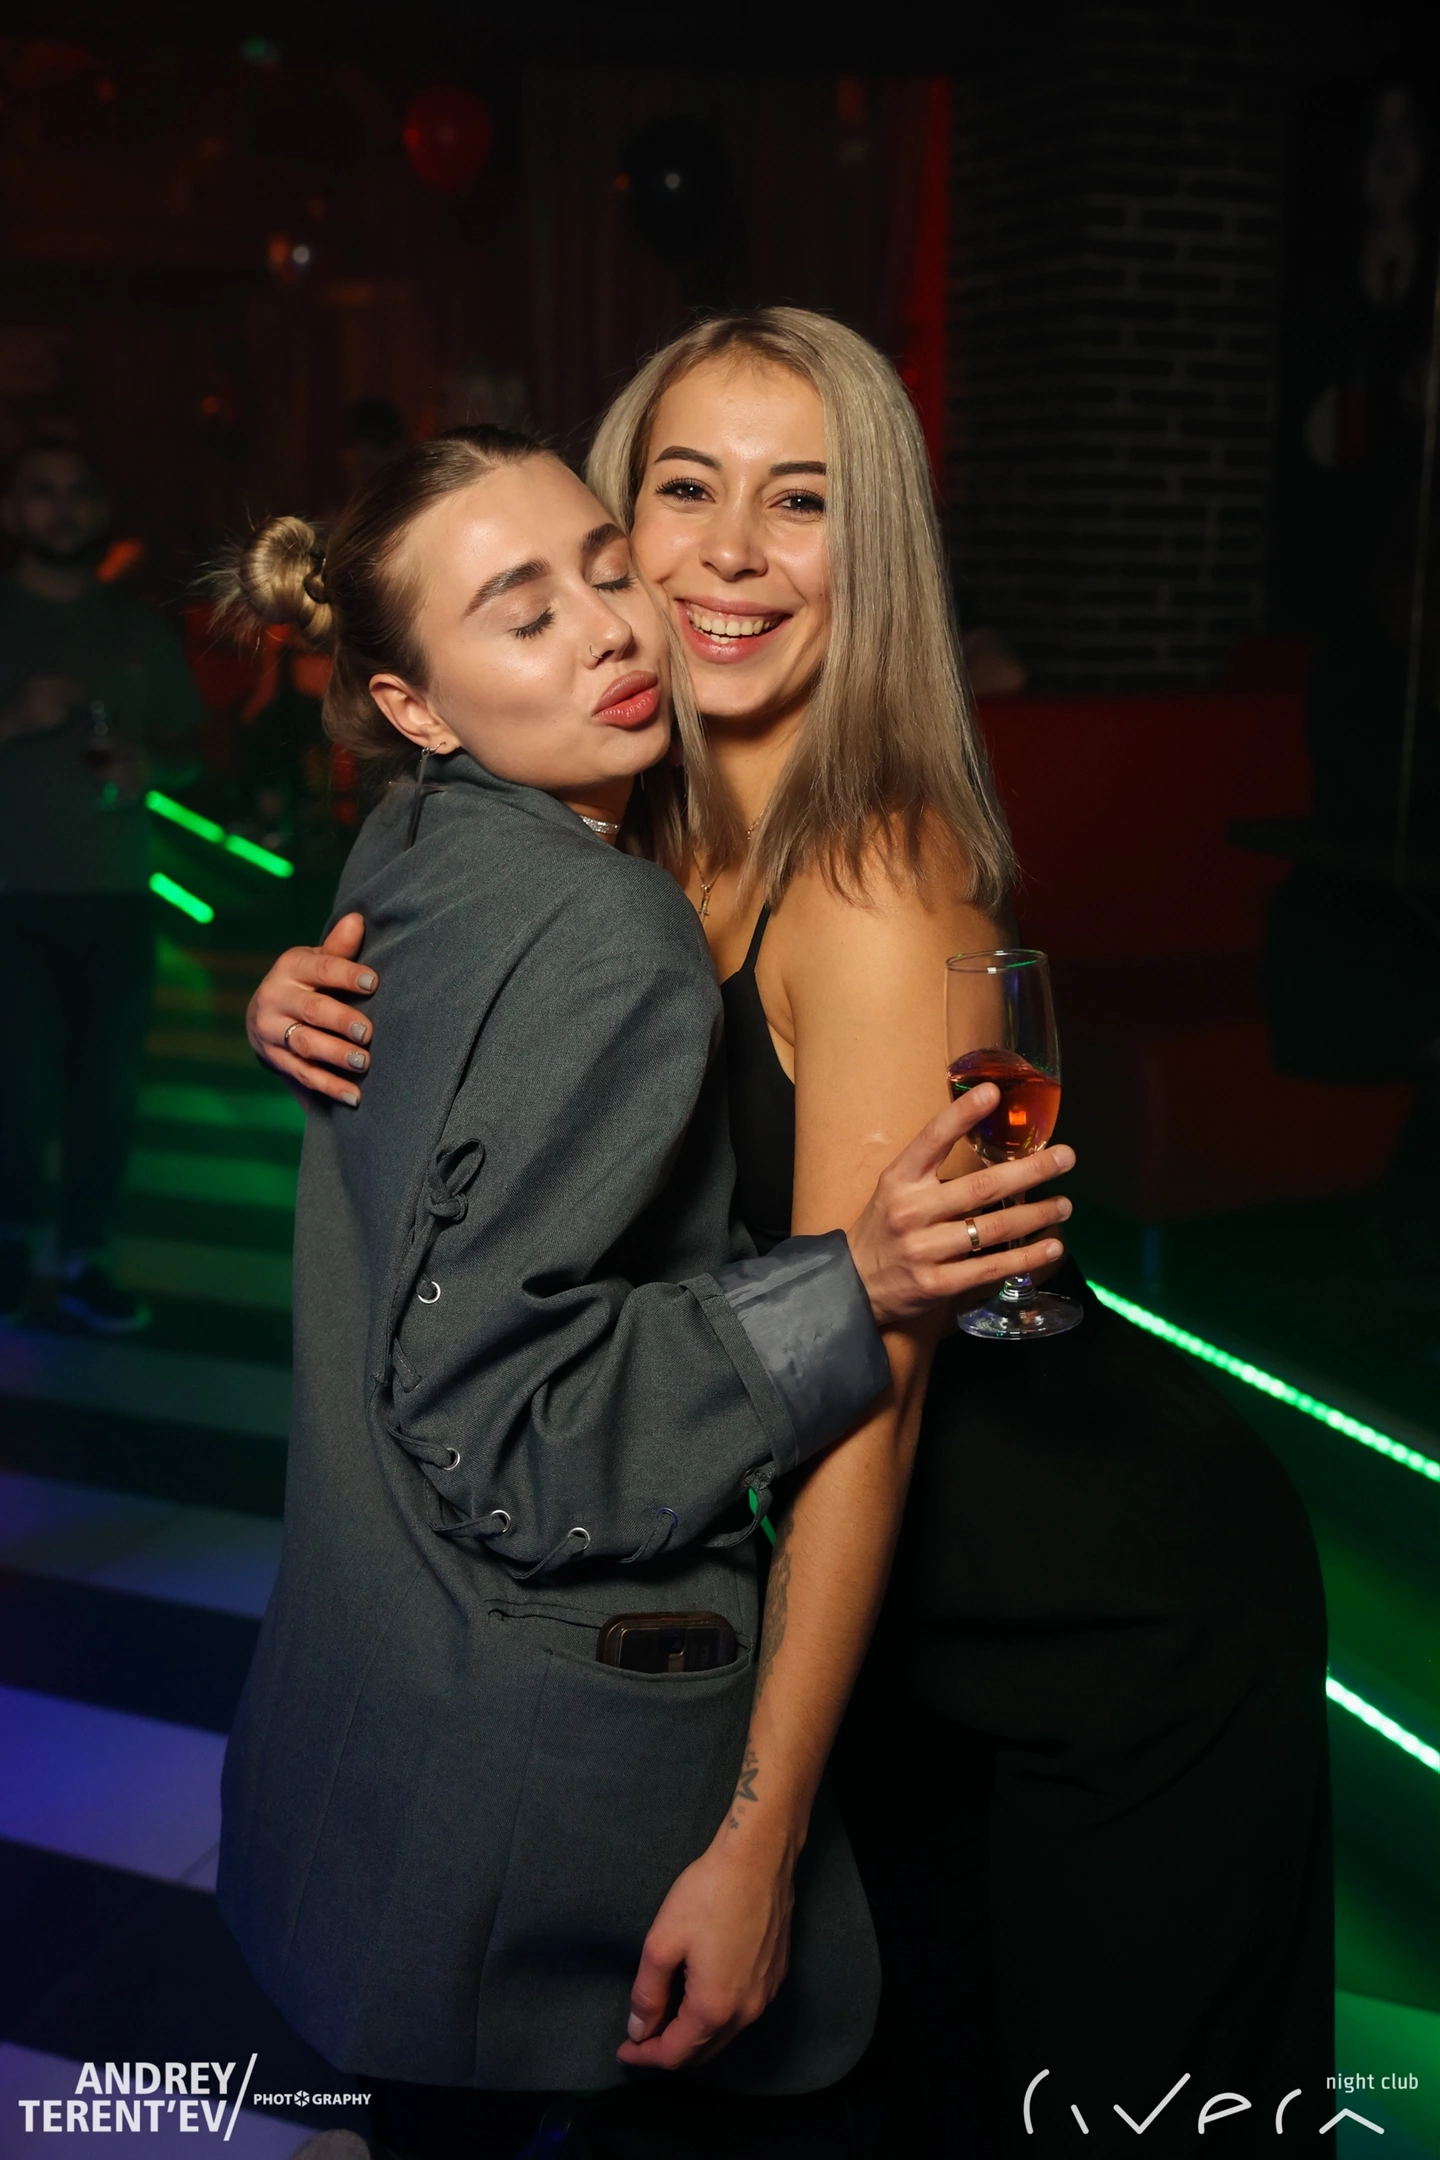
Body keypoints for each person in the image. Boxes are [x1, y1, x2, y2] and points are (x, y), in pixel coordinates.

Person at [250, 313, 1334, 2154]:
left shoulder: (875, 882)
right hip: (862, 1629)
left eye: (804, 500)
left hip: (1083, 1615)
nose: (734, 554)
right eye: (687, 491)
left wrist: (753, 1834)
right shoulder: (618, 826)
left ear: (872, 549)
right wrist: (309, 1006)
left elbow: (876, 1392)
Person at [216, 427, 1073, 2159]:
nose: (611, 628)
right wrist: (853, 1282)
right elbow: (500, 1424)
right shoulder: (616, 932)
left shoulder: (409, 838)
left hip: (382, 1702)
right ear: (415, 705)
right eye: (525, 613)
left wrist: (272, 1006)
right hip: (521, 1741)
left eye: (606, 570)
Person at [0, 437, 201, 1334]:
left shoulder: (137, 629)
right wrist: (12, 719)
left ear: (102, 509)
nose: (62, 507)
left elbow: (196, 754)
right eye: (41, 490)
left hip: (118, 896)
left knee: (107, 1095)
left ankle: (87, 1257)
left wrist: (153, 765)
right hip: (12, 898)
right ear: (11, 510)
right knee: (17, 1091)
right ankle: (10, 1246)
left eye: (79, 490)